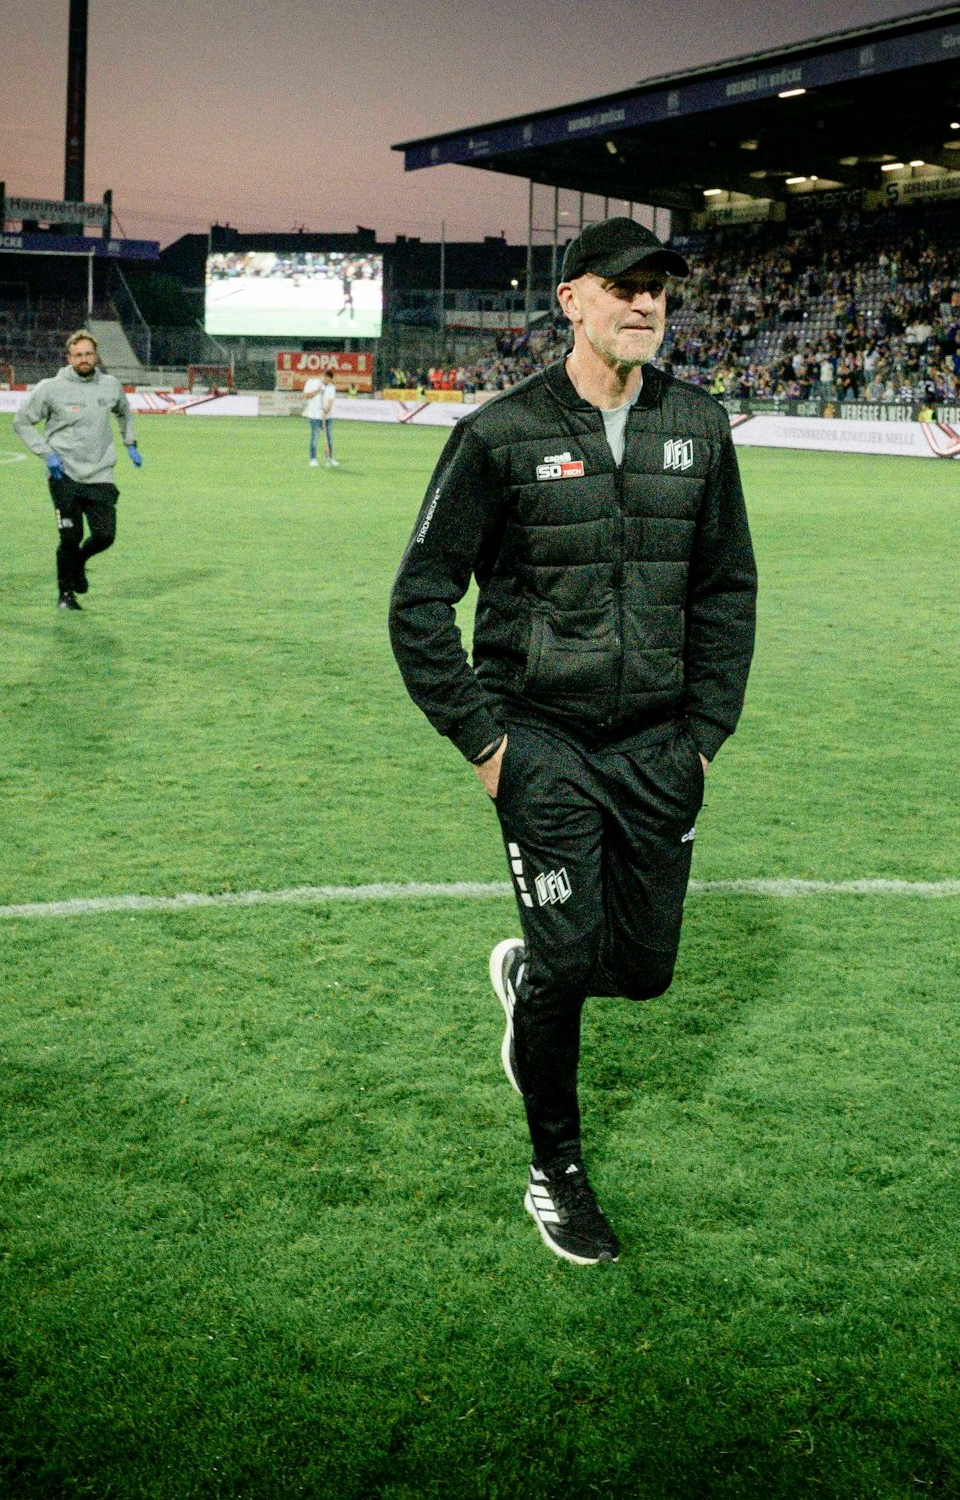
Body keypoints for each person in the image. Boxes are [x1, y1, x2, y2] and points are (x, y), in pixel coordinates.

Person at [389, 217, 758, 1265]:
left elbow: (727, 589)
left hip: (659, 751)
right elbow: (420, 599)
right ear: (571, 300)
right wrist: (486, 745)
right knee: (566, 956)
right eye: (622, 285)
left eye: (658, 288)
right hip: (539, 742)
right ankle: (556, 1171)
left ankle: (532, 982)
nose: (644, 303)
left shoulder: (699, 426)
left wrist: (702, 738)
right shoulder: (499, 434)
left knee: (640, 971)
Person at [14, 330, 141, 610]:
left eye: (88, 354)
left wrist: (130, 442)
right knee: (70, 537)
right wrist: (46, 453)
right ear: (69, 358)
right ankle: (65, 594)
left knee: (105, 536)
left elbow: (124, 411)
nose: (84, 359)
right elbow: (21, 422)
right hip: (65, 474)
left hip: (100, 473)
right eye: (78, 355)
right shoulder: (50, 388)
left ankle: (80, 562)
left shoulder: (110, 385)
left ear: (96, 356)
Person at [304, 367, 338, 467]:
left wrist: (326, 410)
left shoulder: (331, 387)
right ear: (323, 376)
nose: (328, 382)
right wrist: (317, 391)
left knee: (329, 438)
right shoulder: (312, 382)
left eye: (329, 380)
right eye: (327, 380)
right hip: (314, 416)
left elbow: (330, 402)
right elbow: (306, 396)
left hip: (326, 417)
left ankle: (329, 458)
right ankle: (313, 459)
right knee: (315, 437)